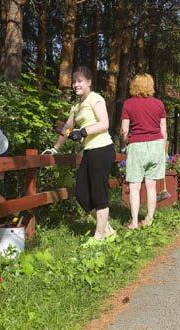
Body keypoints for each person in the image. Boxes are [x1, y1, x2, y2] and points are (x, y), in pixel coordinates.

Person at [44, 66, 116, 245]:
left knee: (99, 193)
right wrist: (55, 149)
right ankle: (107, 230)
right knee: (82, 194)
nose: (76, 85)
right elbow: (66, 129)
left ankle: (99, 237)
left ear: (89, 82)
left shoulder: (95, 99)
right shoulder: (76, 107)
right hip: (89, 151)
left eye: (80, 81)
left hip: (102, 148)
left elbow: (105, 123)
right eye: (74, 82)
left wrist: (83, 131)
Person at [120, 73, 167, 229]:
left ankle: (134, 222)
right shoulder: (159, 104)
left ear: (134, 86)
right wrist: (163, 149)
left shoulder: (128, 104)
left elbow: (124, 130)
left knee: (134, 186)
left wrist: (125, 141)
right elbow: (164, 130)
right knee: (151, 186)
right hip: (156, 145)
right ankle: (149, 219)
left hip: (137, 146)